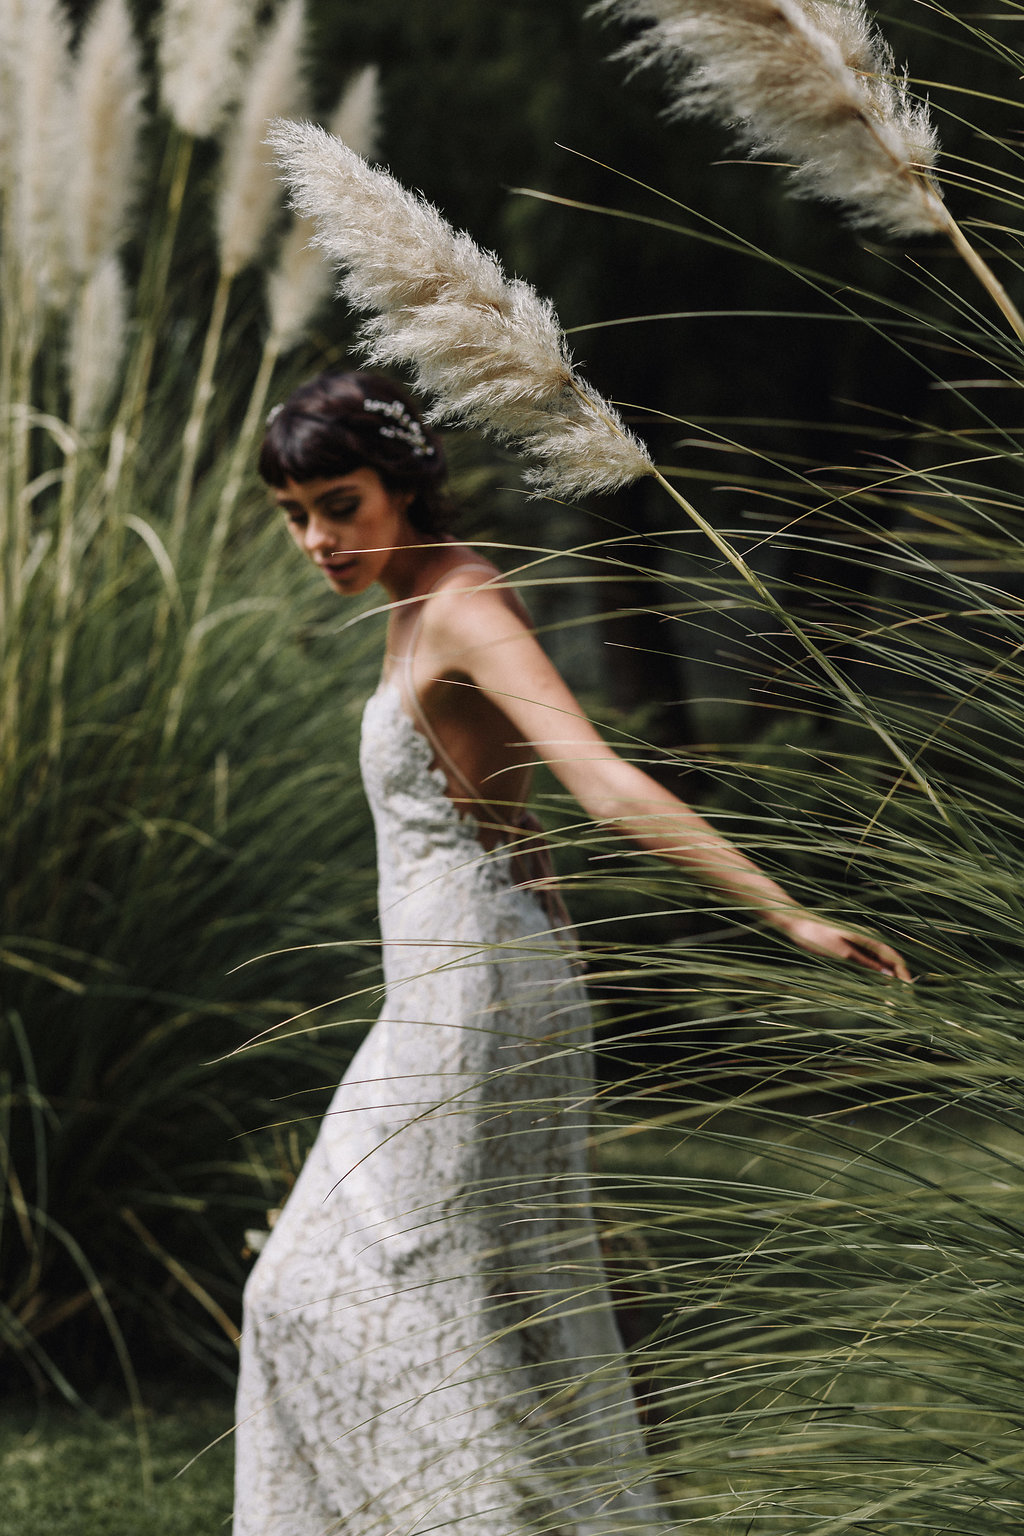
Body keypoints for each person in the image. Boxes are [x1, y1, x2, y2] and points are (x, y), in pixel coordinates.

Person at [233, 369, 909, 1536]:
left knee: (365, 1289)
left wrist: (782, 910)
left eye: (338, 503)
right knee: (453, 1294)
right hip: (463, 985)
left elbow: (596, 781)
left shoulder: (463, 601)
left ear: (400, 484)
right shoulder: (416, 596)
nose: (317, 538)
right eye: (296, 513)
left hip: (473, 999)